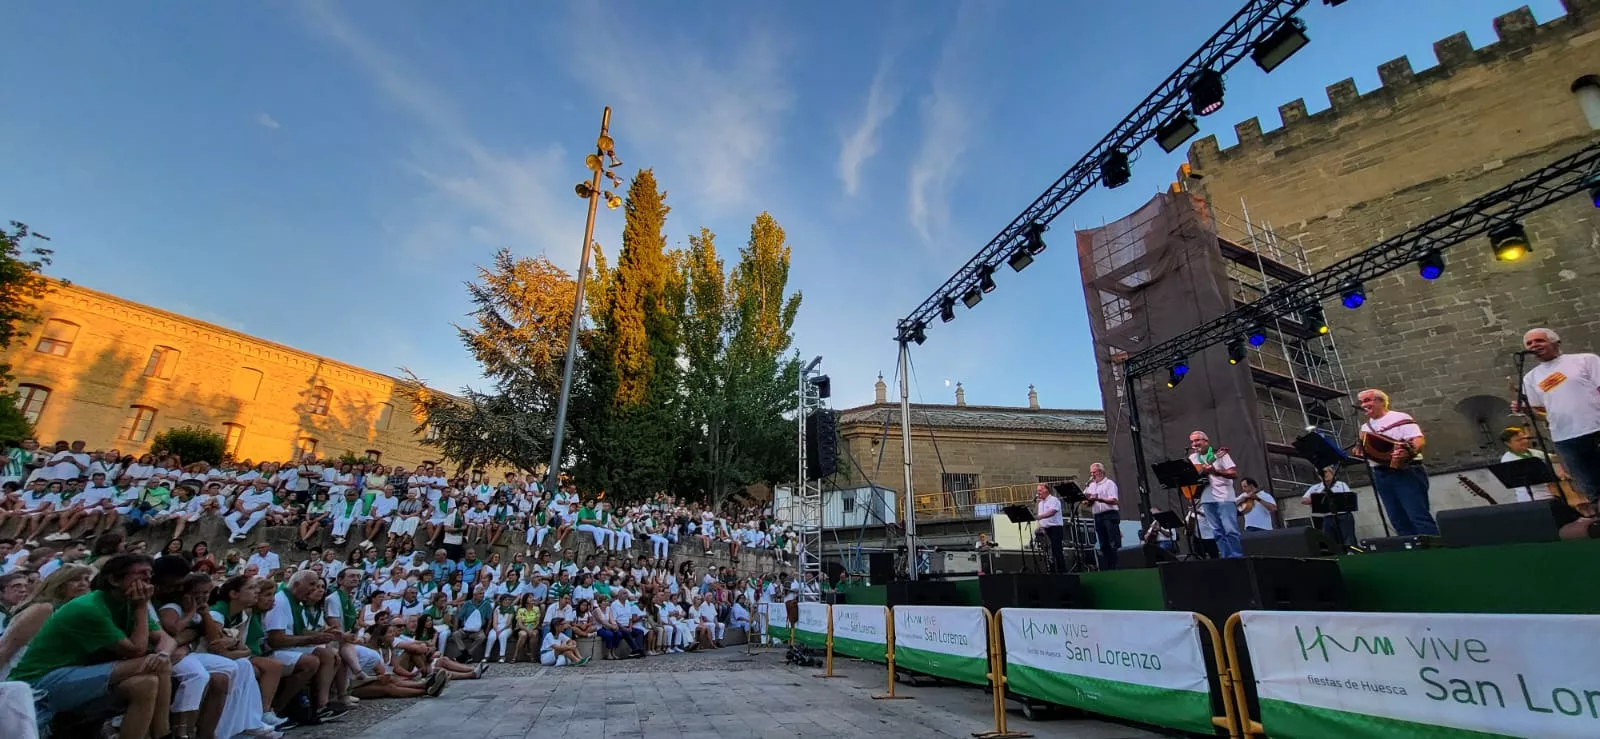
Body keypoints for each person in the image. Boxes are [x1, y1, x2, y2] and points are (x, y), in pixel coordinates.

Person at [10, 553, 174, 739]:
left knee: (146, 684)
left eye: (149, 575)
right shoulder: (90, 608)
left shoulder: (127, 603)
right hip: (43, 681)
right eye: (141, 574)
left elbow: (166, 639)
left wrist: (164, 653)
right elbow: (137, 650)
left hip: (77, 673)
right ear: (114, 579)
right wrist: (142, 607)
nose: (147, 580)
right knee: (161, 666)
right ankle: (164, 733)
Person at [1519, 328, 1600, 503]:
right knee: (1590, 486)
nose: (1534, 345)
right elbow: (1542, 414)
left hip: (1596, 428)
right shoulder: (1530, 378)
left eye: (1539, 340)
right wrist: (1526, 410)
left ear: (1555, 342)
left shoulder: (1585, 360)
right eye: (1529, 343)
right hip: (1565, 437)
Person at [1356, 389, 1438, 536]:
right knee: (1397, 519)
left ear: (1381, 401)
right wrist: (1360, 451)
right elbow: (1365, 450)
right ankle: (1410, 552)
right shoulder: (1365, 428)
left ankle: (1436, 551)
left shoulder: (1400, 417)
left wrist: (1408, 452)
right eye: (1362, 402)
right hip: (1380, 474)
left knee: (1418, 516)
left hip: (1406, 471)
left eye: (1367, 400)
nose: (1363, 405)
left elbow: (1418, 440)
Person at [1188, 431, 1242, 558]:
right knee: (1217, 531)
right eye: (1192, 441)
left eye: (1197, 440)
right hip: (1206, 498)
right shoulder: (1192, 458)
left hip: (1224, 497)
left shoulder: (1220, 454)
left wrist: (1216, 472)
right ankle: (1225, 557)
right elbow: (1192, 478)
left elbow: (1234, 474)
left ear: (1206, 441)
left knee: (1230, 529)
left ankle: (1237, 557)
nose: (1195, 444)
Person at [1301, 466, 1357, 547]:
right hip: (1327, 517)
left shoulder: (1341, 484)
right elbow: (1303, 500)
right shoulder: (1316, 487)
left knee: (1348, 539)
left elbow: (1348, 498)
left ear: (1331, 472)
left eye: (1325, 472)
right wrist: (1318, 498)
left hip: (1343, 515)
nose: (1323, 475)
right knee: (1329, 540)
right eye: (1320, 473)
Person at [1083, 463, 1120, 570]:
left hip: (1109, 514)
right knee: (1103, 543)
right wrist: (1088, 501)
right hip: (1097, 515)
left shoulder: (1109, 484)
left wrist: (1099, 499)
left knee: (1113, 541)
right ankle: (1108, 567)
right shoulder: (1091, 485)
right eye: (1091, 472)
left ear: (1100, 472)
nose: (1092, 475)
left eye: (1094, 472)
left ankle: (1117, 566)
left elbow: (1114, 500)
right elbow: (1086, 501)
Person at [1033, 483, 1065, 572]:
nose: (1038, 493)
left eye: (1040, 490)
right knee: (1047, 552)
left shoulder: (1054, 500)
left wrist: (1039, 517)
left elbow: (1052, 512)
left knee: (1056, 551)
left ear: (1046, 490)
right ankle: (1052, 570)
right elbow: (1040, 518)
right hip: (1045, 530)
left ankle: (1062, 571)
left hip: (1055, 528)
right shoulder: (1040, 504)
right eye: (1037, 491)